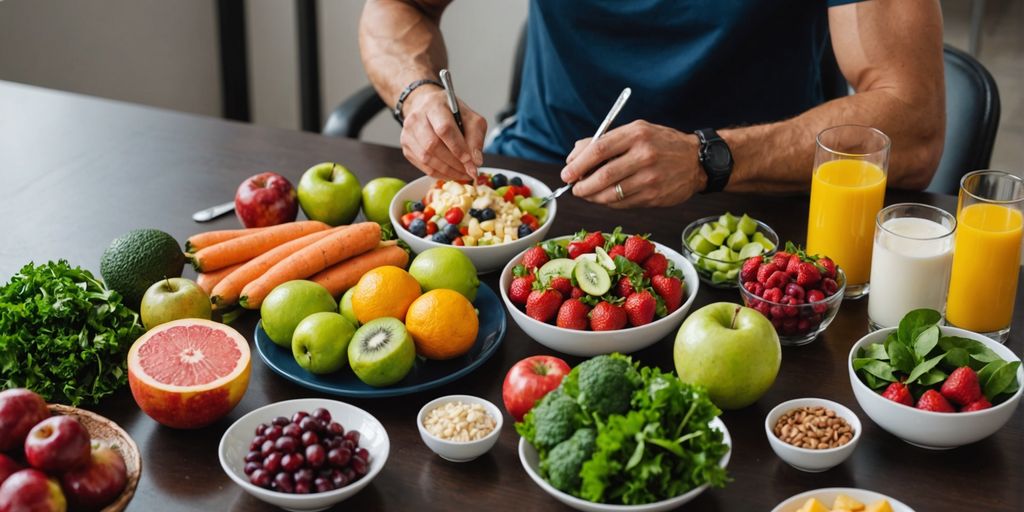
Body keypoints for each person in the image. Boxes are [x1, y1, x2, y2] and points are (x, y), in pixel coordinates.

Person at [359, 0, 944, 208]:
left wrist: (705, 158)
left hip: (749, 213)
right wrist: (418, 94)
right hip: (541, 189)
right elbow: (395, 7)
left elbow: (913, 124)